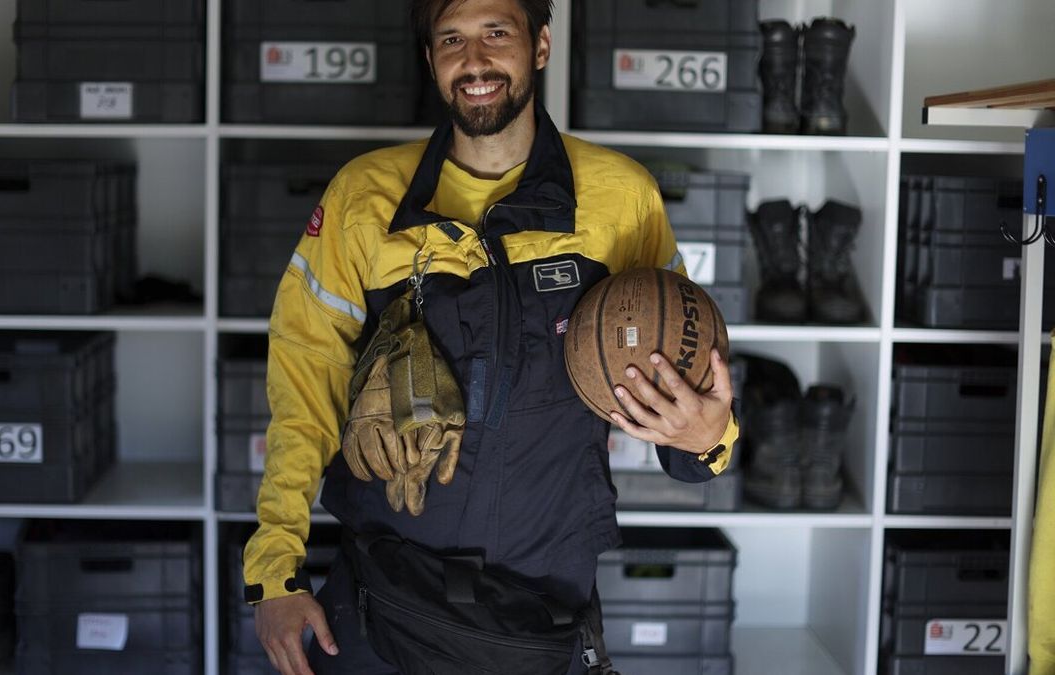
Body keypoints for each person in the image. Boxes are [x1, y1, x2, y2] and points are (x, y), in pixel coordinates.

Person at [243, 1, 741, 673]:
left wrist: (709, 440)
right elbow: (305, 383)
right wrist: (275, 569)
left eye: (495, 33)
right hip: (387, 605)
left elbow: (691, 373)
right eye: (451, 38)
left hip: (541, 613)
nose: (474, 60)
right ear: (430, 59)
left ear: (539, 45)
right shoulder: (364, 197)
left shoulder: (621, 199)